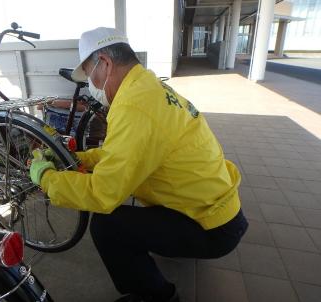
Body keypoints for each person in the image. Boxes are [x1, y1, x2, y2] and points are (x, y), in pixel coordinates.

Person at [30, 27, 248, 302]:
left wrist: (47, 177)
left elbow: (103, 193)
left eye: (89, 75)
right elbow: (118, 154)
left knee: (108, 226)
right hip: (218, 209)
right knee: (132, 218)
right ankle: (177, 247)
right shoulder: (148, 87)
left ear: (105, 63)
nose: (91, 85)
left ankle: (158, 296)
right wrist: (77, 160)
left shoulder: (134, 106)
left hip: (212, 227)